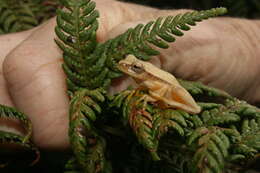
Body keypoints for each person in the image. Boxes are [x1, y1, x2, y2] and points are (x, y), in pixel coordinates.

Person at [0, 0, 259, 150]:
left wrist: (249, 44)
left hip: (174, 94)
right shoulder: (139, 71)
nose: (127, 67)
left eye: (134, 67)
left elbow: (160, 90)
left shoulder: (148, 76)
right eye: (131, 66)